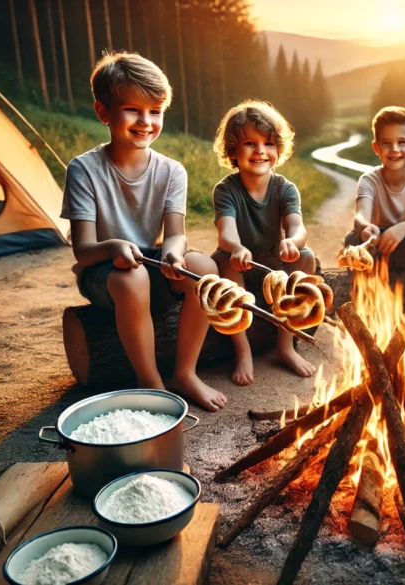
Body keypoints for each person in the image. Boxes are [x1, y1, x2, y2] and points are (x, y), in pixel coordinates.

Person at [62, 52, 227, 411]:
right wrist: (114, 247)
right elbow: (84, 250)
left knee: (205, 270)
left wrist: (172, 251)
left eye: (155, 111)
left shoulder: (172, 171)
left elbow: (176, 233)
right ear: (103, 112)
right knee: (131, 278)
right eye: (133, 110)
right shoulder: (84, 170)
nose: (145, 121)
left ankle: (185, 373)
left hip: (149, 264)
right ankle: (149, 381)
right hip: (104, 274)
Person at [211, 100, 316, 385]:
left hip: (272, 266)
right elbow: (226, 232)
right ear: (232, 150)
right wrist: (236, 248)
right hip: (239, 262)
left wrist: (292, 242)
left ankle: (285, 345)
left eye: (269, 143)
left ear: (278, 149)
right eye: (249, 143)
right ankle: (242, 349)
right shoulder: (226, 190)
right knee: (224, 261)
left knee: (306, 257)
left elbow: (297, 227)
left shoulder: (285, 189)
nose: (260, 151)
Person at [344, 106, 405, 303]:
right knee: (352, 239)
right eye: (387, 143)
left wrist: (403, 228)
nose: (394, 149)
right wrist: (365, 228)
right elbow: (362, 215)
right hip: (376, 246)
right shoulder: (369, 180)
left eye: (402, 142)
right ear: (376, 148)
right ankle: (364, 304)